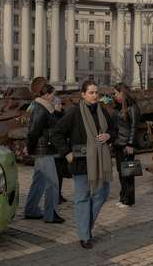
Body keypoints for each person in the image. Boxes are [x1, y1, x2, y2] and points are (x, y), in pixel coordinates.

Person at [52, 80, 115, 249]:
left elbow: (113, 130)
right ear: (83, 94)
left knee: (102, 193)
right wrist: (67, 153)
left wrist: (108, 136)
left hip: (100, 162)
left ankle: (85, 227)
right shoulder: (74, 113)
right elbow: (56, 133)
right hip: (81, 162)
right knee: (82, 198)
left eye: (97, 93)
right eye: (91, 93)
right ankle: (84, 235)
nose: (95, 96)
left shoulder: (102, 111)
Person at [23, 84, 65, 224]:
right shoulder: (41, 108)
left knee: (39, 181)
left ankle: (31, 210)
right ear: (46, 95)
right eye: (53, 94)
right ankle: (50, 214)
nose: (54, 97)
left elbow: (52, 124)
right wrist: (29, 148)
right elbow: (33, 131)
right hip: (43, 150)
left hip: (43, 149)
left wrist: (58, 113)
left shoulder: (45, 108)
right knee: (53, 182)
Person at [112, 83, 141, 208]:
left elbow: (134, 127)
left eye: (116, 93)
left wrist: (130, 144)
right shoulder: (118, 107)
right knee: (120, 172)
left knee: (128, 173)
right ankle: (123, 197)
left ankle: (129, 200)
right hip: (119, 144)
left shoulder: (133, 107)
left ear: (122, 93)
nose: (114, 96)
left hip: (127, 145)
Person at [53, 96, 70, 204]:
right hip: (55, 149)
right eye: (57, 104)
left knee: (61, 174)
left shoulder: (64, 115)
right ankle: (56, 195)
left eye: (60, 104)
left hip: (62, 148)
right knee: (55, 174)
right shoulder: (51, 116)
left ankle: (58, 194)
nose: (59, 106)